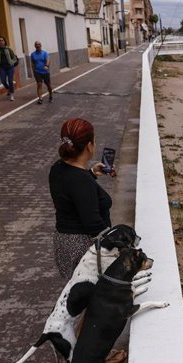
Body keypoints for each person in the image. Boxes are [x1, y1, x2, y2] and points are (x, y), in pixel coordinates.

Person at [49, 118, 112, 280]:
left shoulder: (57, 168)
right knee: (90, 297)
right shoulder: (82, 180)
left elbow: (71, 191)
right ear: (89, 146)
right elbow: (94, 225)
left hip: (63, 242)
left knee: (76, 290)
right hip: (82, 246)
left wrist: (91, 173)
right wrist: (119, 246)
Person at [0, 36, 18, 101]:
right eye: (0, 41)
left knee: (10, 81)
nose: (1, 42)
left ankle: (11, 94)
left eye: (2, 40)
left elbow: (14, 57)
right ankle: (8, 88)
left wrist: (12, 62)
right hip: (2, 67)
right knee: (3, 81)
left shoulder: (8, 49)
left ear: (4, 41)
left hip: (10, 67)